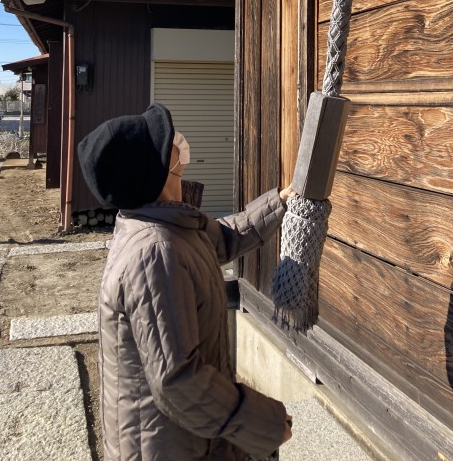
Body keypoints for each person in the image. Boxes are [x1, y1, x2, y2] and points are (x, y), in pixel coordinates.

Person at [78, 102, 296, 461]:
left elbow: (222, 237)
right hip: (169, 446)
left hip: (185, 438)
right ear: (155, 171)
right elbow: (179, 381)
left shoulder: (169, 226)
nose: (178, 143)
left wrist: (280, 204)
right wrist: (265, 424)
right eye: (167, 144)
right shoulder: (155, 254)